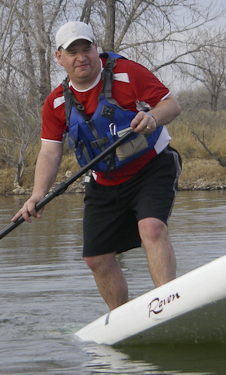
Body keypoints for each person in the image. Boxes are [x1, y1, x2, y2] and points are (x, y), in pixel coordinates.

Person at [12, 21, 182, 311]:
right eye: (72, 52)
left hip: (151, 166)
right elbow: (50, 152)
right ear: (59, 58)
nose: (81, 57)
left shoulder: (128, 74)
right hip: (104, 182)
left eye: (86, 48)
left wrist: (153, 117)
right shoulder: (55, 104)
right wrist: (38, 194)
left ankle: (169, 306)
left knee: (152, 229)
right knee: (96, 258)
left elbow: (171, 105)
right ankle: (122, 321)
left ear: (96, 49)